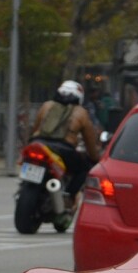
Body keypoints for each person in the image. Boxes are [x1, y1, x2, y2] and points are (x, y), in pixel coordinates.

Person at [29, 80, 101, 208]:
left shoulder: (46, 105)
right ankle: (69, 196)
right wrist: (95, 159)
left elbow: (35, 130)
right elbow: (90, 143)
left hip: (38, 143)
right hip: (63, 150)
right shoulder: (81, 112)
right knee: (84, 169)